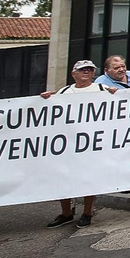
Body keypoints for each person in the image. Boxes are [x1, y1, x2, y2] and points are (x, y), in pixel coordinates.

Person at [41, 60, 105, 226]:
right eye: (82, 70)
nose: (86, 72)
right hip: (68, 143)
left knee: (88, 178)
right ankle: (66, 213)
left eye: (90, 70)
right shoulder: (64, 92)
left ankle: (87, 212)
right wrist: (45, 99)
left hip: (91, 143)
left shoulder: (100, 89)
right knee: (64, 177)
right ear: (73, 74)